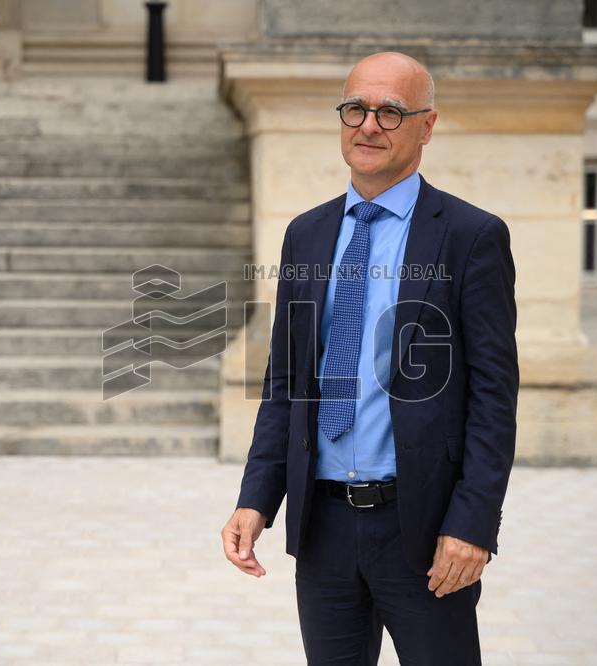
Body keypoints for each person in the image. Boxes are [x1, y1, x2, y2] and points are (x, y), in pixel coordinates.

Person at [221, 51, 519, 665]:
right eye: (356, 109)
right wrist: (257, 498)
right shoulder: (307, 233)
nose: (369, 126)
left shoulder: (470, 236)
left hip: (426, 531)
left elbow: (494, 395)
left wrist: (473, 524)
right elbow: (286, 384)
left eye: (391, 112)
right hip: (323, 530)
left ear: (426, 125)